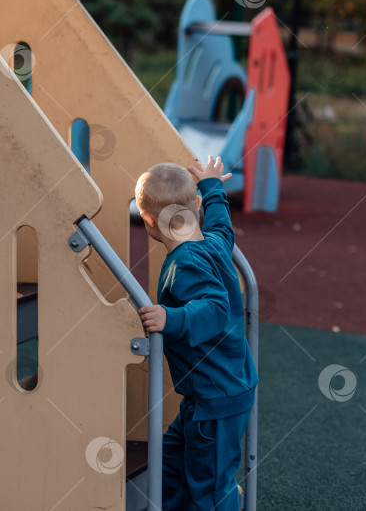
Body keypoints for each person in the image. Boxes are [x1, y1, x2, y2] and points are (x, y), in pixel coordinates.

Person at [135, 155, 258, 511]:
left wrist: (171, 319)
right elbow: (221, 222)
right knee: (170, 462)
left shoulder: (186, 261)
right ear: (197, 207)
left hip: (216, 397)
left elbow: (216, 308)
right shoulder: (216, 242)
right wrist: (212, 185)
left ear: (148, 221)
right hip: (214, 392)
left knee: (212, 487)